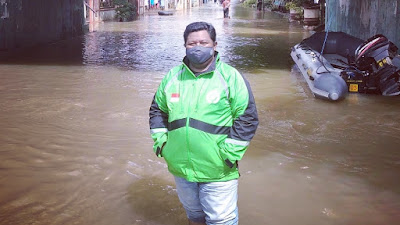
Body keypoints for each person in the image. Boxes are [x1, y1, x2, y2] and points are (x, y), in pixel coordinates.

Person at [149, 22, 258, 225]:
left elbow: (247, 117)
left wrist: (227, 155)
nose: (197, 47)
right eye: (192, 43)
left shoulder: (230, 77)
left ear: (214, 45)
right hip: (181, 168)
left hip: (218, 169)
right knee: (194, 215)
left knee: (221, 220)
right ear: (185, 46)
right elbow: (158, 110)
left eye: (202, 42)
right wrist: (162, 144)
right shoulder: (172, 77)